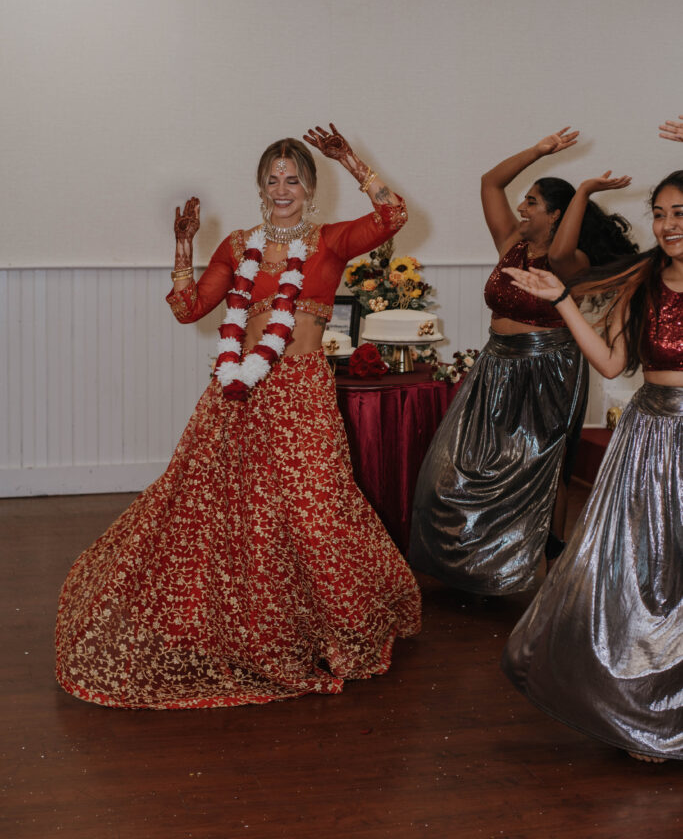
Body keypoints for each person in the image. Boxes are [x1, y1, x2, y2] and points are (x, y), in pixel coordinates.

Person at [55, 125, 421, 709]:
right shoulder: (237, 246)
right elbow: (188, 309)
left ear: (309, 186)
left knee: (314, 510)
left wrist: (350, 159)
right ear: (259, 186)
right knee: (227, 513)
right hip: (236, 396)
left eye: (294, 179)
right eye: (273, 179)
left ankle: (326, 626)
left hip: (300, 393)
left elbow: (394, 214)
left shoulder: (328, 242)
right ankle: (249, 632)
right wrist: (183, 246)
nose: (283, 188)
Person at [500, 169, 683, 763]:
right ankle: (646, 711)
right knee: (647, 575)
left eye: (681, 213)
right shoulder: (644, 282)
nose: (668, 225)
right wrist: (559, 301)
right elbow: (609, 363)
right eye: (660, 213)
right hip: (651, 439)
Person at [409, 128, 637, 594]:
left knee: (544, 469)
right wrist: (537, 152)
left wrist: (587, 190)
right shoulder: (509, 242)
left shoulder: (568, 259)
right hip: (495, 365)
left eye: (533, 202)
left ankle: (551, 572)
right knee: (451, 469)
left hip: (548, 370)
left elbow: (556, 252)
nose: (522, 207)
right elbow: (489, 183)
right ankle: (473, 567)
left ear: (556, 215)